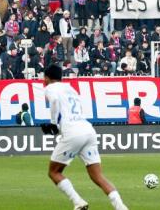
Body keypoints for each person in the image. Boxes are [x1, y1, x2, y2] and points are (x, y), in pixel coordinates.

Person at [41, 65, 128, 210]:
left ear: (47, 78)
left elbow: (55, 100)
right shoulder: (71, 89)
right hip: (88, 130)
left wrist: (53, 123)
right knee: (97, 176)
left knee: (54, 172)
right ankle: (121, 207)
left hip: (72, 132)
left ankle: (78, 202)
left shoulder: (50, 88)